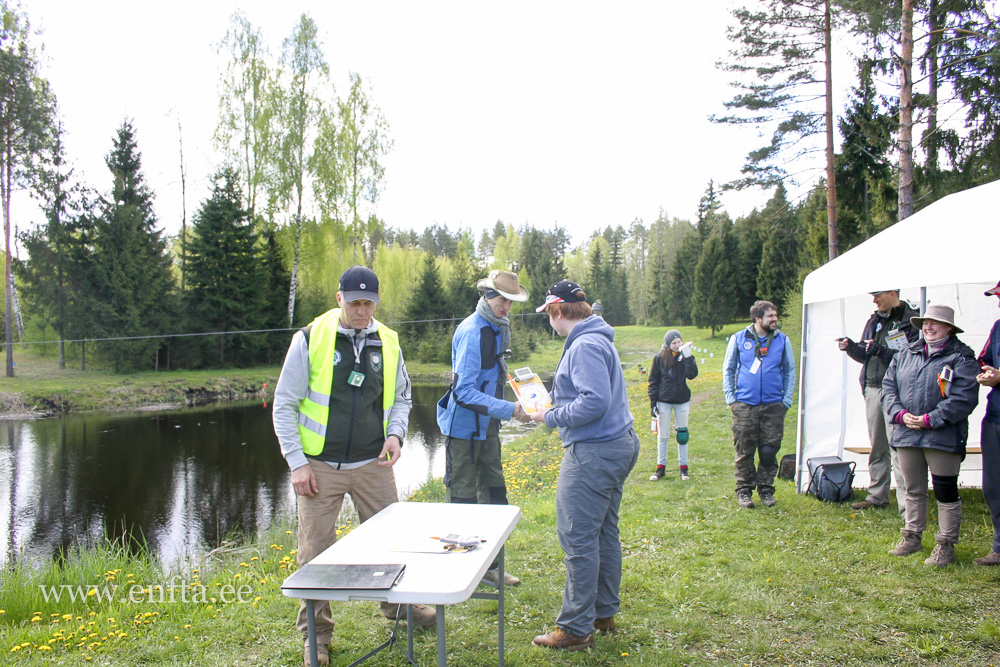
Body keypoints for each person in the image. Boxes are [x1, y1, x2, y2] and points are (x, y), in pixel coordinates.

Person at [272, 265, 434, 667]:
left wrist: (395, 434)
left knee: (391, 542)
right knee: (314, 551)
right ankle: (317, 636)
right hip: (319, 467)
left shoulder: (389, 342)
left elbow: (401, 398)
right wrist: (297, 463)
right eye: (355, 302)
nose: (362, 311)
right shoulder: (309, 338)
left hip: (373, 464)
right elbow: (284, 405)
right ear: (339, 298)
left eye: (369, 303)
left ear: (376, 303)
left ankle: (399, 607)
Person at [528, 280, 639, 651]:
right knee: (604, 532)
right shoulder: (594, 337)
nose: (549, 322)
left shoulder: (585, 345)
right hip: (616, 445)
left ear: (559, 311)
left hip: (595, 451)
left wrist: (551, 415)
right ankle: (602, 613)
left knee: (578, 537)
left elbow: (595, 402)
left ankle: (576, 628)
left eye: (548, 315)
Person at [436, 269, 530, 587]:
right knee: (462, 500)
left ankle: (491, 568)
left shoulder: (499, 327)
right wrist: (510, 409)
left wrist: (523, 394)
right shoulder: (471, 331)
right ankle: (460, 573)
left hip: (487, 425)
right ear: (488, 296)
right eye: (503, 299)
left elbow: (495, 376)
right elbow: (463, 392)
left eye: (511, 301)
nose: (507, 306)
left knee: (494, 494)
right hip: (461, 429)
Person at [881, 304, 980, 566]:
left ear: (949, 327)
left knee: (945, 491)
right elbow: (888, 388)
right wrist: (900, 415)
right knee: (913, 489)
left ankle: (945, 545)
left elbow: (964, 398)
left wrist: (929, 420)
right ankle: (912, 537)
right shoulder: (904, 354)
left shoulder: (963, 358)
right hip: (907, 433)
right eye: (925, 323)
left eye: (935, 323)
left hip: (942, 436)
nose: (928, 327)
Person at [837, 290, 919, 512]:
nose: (874, 300)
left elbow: (911, 358)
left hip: (899, 391)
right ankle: (877, 496)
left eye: (878, 295)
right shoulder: (874, 320)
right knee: (878, 445)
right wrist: (852, 347)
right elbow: (866, 355)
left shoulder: (911, 320)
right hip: (873, 387)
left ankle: (907, 504)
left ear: (893, 294)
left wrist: (881, 351)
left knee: (899, 447)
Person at [722, 300, 796, 509]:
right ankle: (744, 490)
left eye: (775, 315)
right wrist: (731, 398)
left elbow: (789, 371)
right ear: (757, 319)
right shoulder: (739, 339)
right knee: (745, 449)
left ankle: (766, 489)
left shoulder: (782, 340)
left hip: (774, 405)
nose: (775, 319)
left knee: (768, 450)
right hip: (745, 405)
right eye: (770, 316)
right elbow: (728, 369)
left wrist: (786, 400)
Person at [647, 329, 698, 481]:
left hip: (682, 401)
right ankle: (660, 468)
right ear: (668, 344)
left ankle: (684, 468)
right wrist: (653, 402)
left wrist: (688, 357)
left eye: (679, 342)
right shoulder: (659, 358)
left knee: (682, 435)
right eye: (674, 343)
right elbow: (653, 381)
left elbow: (692, 375)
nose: (677, 345)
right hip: (664, 401)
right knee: (663, 436)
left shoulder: (685, 356)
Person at [974, 280, 1000, 566]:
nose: (998, 302)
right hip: (995, 417)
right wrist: (986, 372)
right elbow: (985, 359)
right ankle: (999, 547)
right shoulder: (998, 327)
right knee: (994, 487)